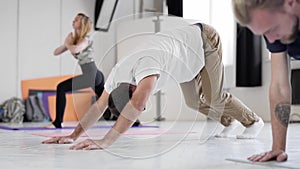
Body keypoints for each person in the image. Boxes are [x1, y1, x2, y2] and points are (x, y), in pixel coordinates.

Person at [42, 20, 264, 150]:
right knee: (193, 101)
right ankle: (229, 121)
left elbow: (137, 103)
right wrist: (74, 134)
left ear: (132, 89)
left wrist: (106, 141)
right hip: (185, 57)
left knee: (213, 96)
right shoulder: (115, 77)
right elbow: (99, 106)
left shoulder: (146, 68)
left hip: (204, 41)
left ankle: (253, 121)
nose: (143, 108)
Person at [232, 0, 300, 162]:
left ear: (291, 3)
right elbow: (279, 86)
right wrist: (278, 147)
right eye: (264, 33)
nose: (271, 39)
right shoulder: (275, 29)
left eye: (273, 29)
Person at [48, 13, 140, 128]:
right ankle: (133, 120)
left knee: (61, 87)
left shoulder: (85, 39)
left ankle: (57, 122)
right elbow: (56, 52)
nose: (73, 21)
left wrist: (68, 43)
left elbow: (76, 50)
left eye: (76, 20)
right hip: (95, 75)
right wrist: (67, 44)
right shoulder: (74, 41)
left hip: (91, 75)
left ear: (81, 24)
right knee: (109, 100)